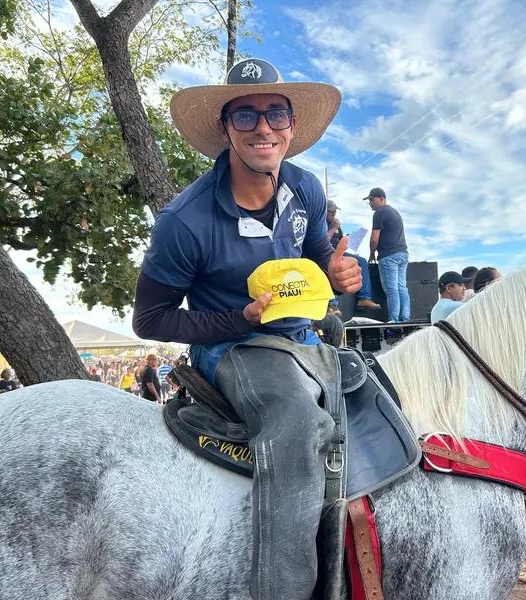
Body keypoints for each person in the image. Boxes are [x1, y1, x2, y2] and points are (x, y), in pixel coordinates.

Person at [131, 58, 359, 600]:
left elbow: (319, 261)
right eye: (246, 115)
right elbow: (150, 319)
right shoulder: (184, 221)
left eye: (276, 113)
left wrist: (336, 276)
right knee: (299, 427)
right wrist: (240, 319)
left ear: (292, 126)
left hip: (305, 340)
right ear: (224, 129)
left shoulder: (305, 190)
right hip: (233, 348)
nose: (264, 128)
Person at [326, 199, 380, 314]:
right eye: (331, 212)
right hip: (324, 254)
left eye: (334, 212)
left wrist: (349, 239)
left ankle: (364, 298)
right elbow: (321, 242)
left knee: (361, 261)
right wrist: (333, 229)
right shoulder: (319, 222)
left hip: (339, 252)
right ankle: (332, 304)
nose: (333, 215)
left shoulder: (336, 225)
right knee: (328, 264)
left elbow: (340, 240)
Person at [365, 187, 409, 323]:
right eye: (369, 201)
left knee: (391, 289)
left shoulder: (379, 213)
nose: (370, 203)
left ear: (382, 199)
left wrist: (371, 255)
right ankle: (406, 318)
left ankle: (393, 320)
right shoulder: (395, 213)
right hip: (403, 253)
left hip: (388, 255)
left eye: (372, 200)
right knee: (402, 286)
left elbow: (374, 239)